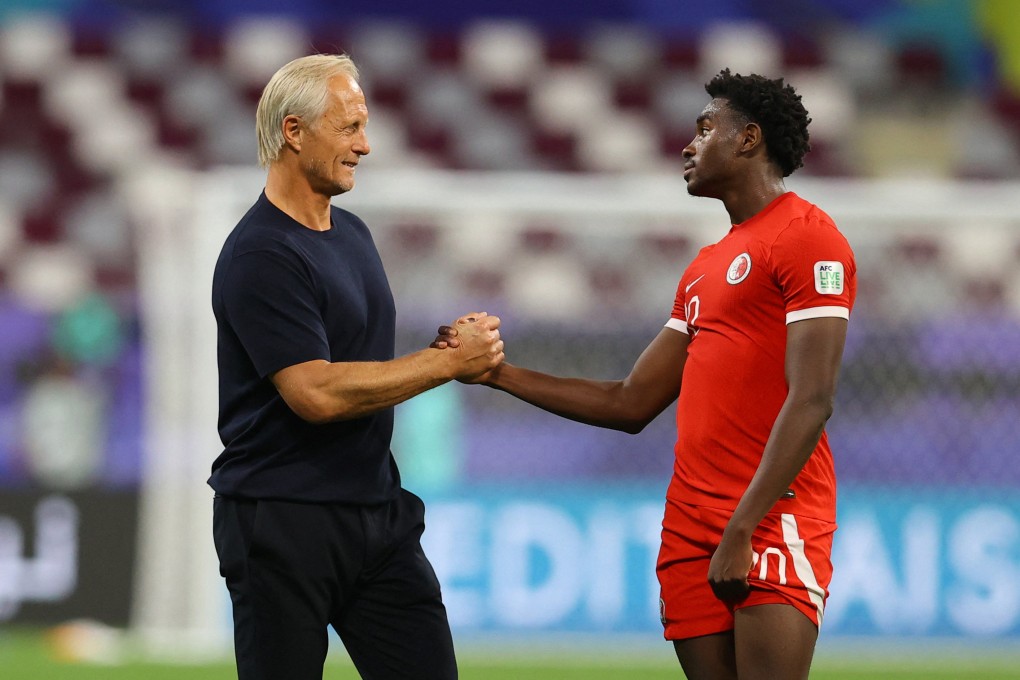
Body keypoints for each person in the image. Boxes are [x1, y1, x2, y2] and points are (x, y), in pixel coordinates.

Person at [435, 69, 856, 680]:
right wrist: (496, 374)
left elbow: (813, 399)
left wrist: (743, 526)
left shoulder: (808, 239)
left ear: (749, 139)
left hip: (770, 516)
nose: (689, 145)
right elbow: (631, 402)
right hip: (690, 524)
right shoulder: (705, 269)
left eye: (706, 128)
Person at [209, 53, 503, 680]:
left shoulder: (354, 233)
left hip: (375, 513)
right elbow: (313, 392)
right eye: (348, 128)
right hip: (280, 519)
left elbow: (354, 359)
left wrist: (443, 350)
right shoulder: (261, 253)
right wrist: (442, 366)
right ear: (294, 132)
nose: (365, 146)